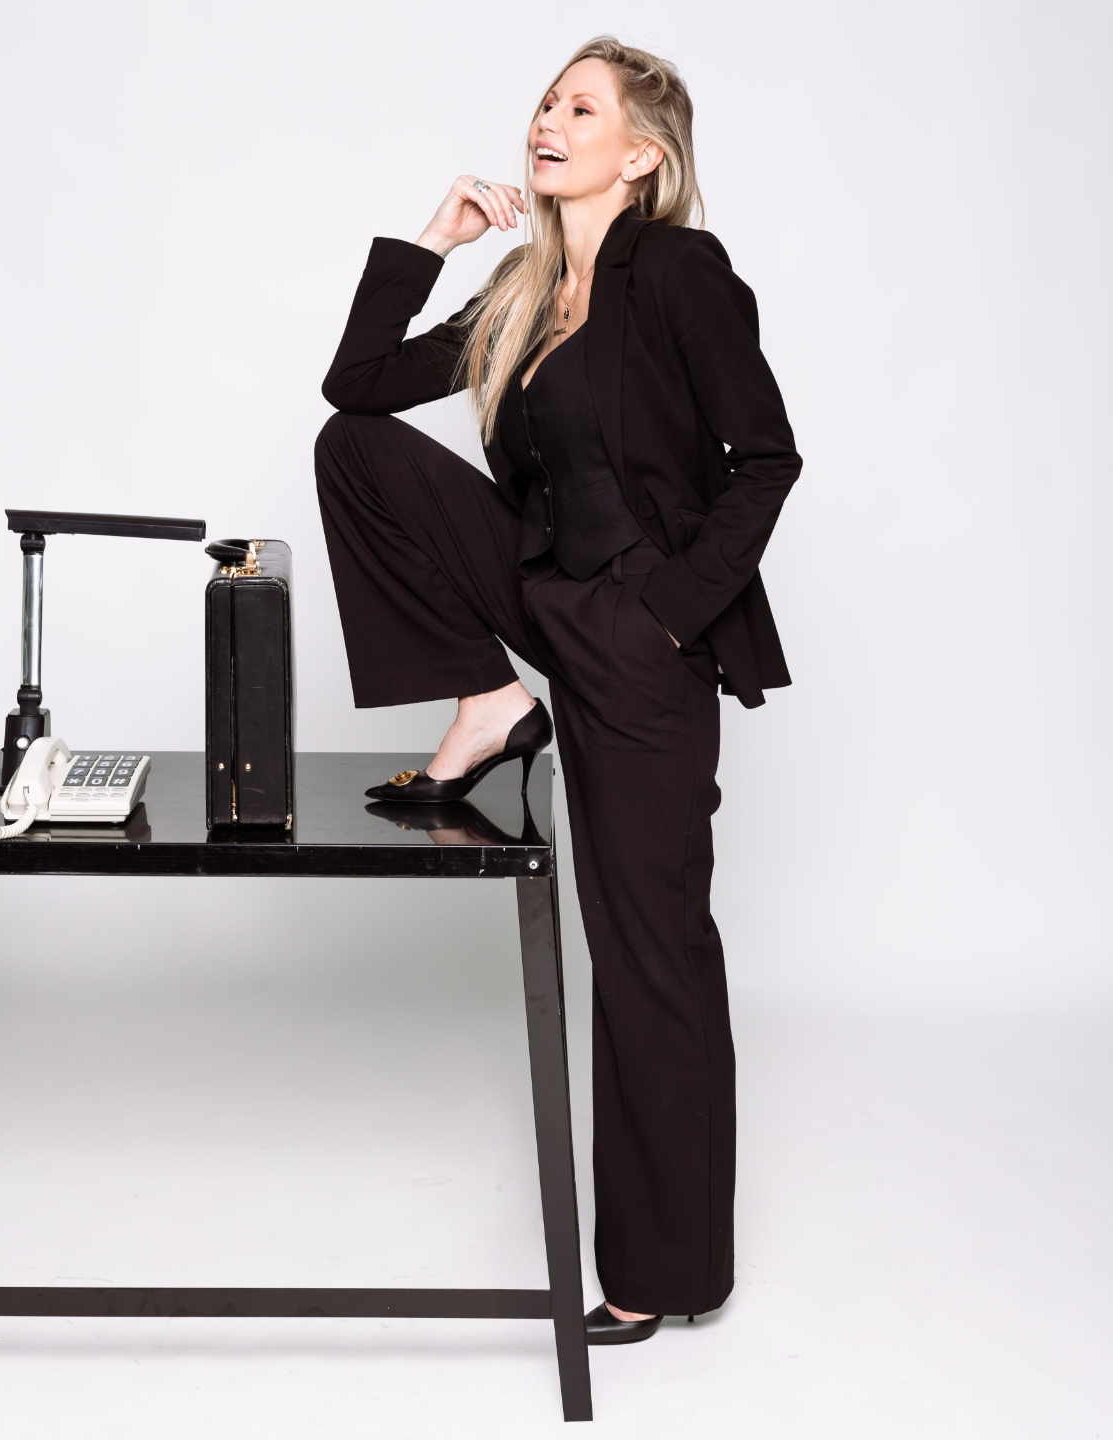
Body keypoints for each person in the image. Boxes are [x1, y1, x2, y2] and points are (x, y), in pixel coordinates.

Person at [315, 34, 801, 1344]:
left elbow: (766, 460)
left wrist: (666, 614)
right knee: (354, 449)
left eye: (580, 109)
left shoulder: (680, 273)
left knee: (647, 953)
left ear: (638, 155)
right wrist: (434, 240)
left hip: (640, 640)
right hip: (540, 599)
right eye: (545, 102)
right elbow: (357, 389)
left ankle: (665, 1271)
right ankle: (488, 701)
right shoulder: (523, 290)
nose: (548, 122)